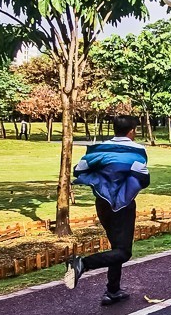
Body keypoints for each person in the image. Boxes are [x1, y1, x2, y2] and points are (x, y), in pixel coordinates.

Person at [63, 115, 150, 305]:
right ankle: (83, 264)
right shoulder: (138, 151)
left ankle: (112, 290)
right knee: (123, 252)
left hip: (102, 202)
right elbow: (143, 176)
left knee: (116, 246)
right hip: (124, 205)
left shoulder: (100, 150)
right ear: (132, 131)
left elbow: (80, 168)